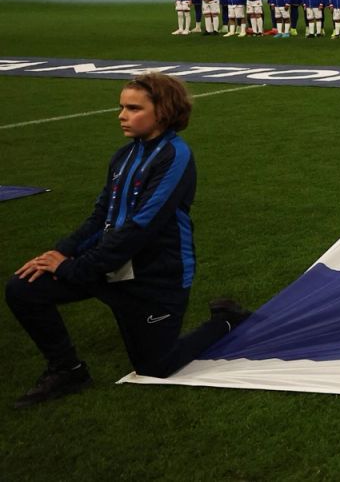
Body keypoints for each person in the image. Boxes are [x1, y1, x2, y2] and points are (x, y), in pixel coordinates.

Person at [6, 72, 252, 405]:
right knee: (23, 288)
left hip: (155, 277)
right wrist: (59, 252)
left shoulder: (175, 156)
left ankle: (226, 320)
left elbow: (141, 228)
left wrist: (73, 268)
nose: (122, 115)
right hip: (108, 266)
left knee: (156, 367)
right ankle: (68, 369)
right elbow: (101, 217)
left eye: (134, 108)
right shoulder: (123, 156)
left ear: (163, 112)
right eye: (122, 107)